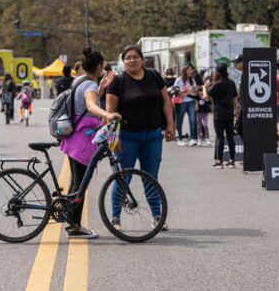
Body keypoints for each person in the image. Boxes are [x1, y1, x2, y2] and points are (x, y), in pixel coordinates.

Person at [106, 45, 175, 231]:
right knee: (123, 178)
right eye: (127, 57)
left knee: (151, 177)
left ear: (142, 59)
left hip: (153, 136)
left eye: (135, 56)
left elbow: (166, 100)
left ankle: (157, 217)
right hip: (126, 137)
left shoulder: (153, 76)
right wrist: (113, 138)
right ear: (123, 61)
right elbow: (110, 112)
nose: (132, 60)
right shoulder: (118, 82)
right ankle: (115, 218)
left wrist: (170, 124)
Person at [59, 47, 119, 239]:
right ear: (100, 66)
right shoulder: (90, 86)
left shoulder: (80, 80)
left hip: (74, 137)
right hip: (83, 139)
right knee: (80, 184)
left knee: (76, 182)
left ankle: (72, 222)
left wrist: (101, 87)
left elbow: (87, 101)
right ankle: (74, 227)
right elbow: (91, 106)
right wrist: (108, 114)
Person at [205, 63, 239, 168]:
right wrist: (236, 110)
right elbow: (235, 98)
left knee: (220, 137)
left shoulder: (217, 84)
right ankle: (232, 160)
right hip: (229, 114)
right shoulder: (231, 83)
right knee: (230, 137)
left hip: (219, 114)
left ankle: (219, 161)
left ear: (218, 72)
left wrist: (204, 86)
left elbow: (207, 96)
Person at [173, 65, 199, 146]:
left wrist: (193, 91)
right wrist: (183, 91)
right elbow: (175, 91)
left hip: (190, 101)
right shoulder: (179, 80)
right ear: (185, 71)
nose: (191, 71)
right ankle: (180, 139)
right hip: (181, 102)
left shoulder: (192, 80)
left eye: (191, 70)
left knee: (192, 120)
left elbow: (195, 92)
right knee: (180, 121)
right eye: (190, 70)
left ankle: (192, 139)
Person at [196, 75, 212, 147]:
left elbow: (209, 100)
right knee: (198, 126)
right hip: (198, 112)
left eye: (202, 91)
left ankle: (207, 138)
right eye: (199, 92)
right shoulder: (196, 97)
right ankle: (199, 139)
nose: (201, 93)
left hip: (204, 112)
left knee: (205, 125)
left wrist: (205, 97)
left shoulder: (206, 96)